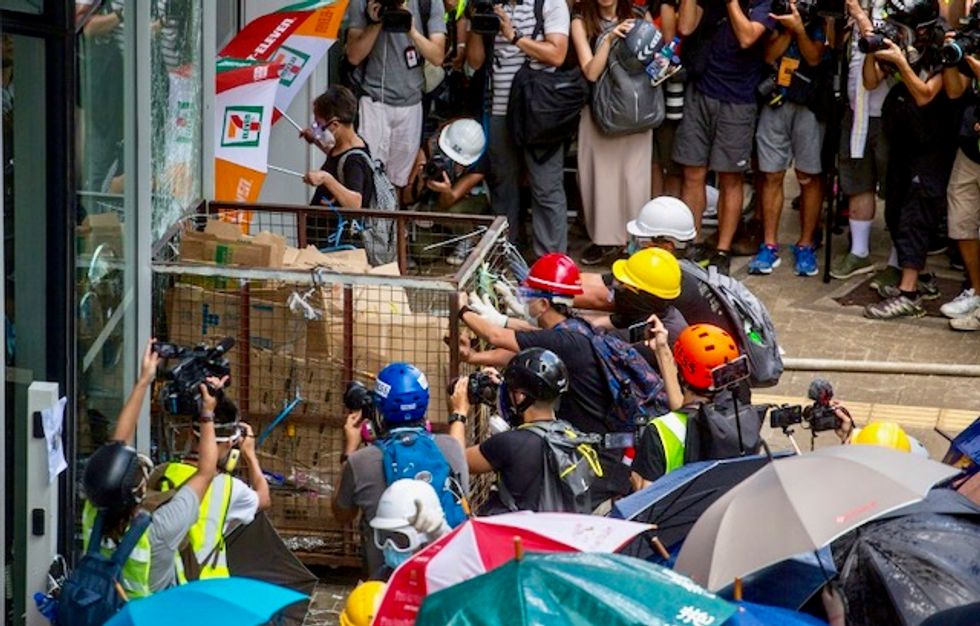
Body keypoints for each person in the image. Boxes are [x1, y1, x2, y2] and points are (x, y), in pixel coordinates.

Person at [459, 253, 682, 504]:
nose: (524, 303)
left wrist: (460, 307)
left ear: (544, 304)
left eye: (528, 296)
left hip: (599, 456)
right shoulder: (573, 329)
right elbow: (527, 343)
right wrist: (474, 357)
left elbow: (497, 337)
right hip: (605, 441)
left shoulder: (564, 340)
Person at [80, 340, 220, 596]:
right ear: (138, 491)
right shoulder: (159, 530)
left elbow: (117, 445)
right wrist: (207, 412)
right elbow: (206, 472)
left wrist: (144, 380)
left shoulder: (93, 513)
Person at [862, 0, 960, 320]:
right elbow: (870, 81)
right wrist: (871, 46)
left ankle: (909, 293)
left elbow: (924, 94)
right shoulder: (901, 38)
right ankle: (916, 277)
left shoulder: (943, 43)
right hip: (903, 136)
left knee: (917, 214)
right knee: (894, 210)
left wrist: (902, 64)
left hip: (933, 141)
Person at [332, 362, 468, 577]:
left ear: (378, 409)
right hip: (444, 575)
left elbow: (342, 513)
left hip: (385, 585)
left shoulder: (360, 462)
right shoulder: (451, 448)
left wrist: (349, 449)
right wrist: (459, 413)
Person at [674, 0, 775, 273]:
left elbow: (747, 37)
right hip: (701, 88)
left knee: (731, 177)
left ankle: (723, 248)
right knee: (693, 173)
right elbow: (684, 27)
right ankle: (690, 243)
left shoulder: (762, 3)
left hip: (738, 97)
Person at [465, 0, 572, 257]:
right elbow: (475, 61)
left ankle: (552, 262)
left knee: (546, 188)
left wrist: (513, 36)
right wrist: (478, 22)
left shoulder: (549, 3)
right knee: (503, 187)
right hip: (499, 109)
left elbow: (557, 54)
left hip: (539, 112)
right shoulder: (490, 5)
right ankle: (506, 256)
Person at [448, 349, 602, 513]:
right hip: (555, 532)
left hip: (515, 536)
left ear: (521, 397)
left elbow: (456, 461)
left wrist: (459, 413)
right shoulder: (569, 435)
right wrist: (502, 389)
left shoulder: (509, 443)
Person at [748, 0, 828, 277]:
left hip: (810, 102)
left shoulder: (820, 14)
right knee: (771, 173)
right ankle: (769, 244)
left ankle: (805, 245)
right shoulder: (775, 11)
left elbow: (815, 57)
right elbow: (769, 56)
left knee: (809, 174)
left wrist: (801, 29)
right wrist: (789, 29)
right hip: (775, 99)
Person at [571, 0, 653, 266]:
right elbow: (591, 73)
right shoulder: (581, 21)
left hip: (635, 110)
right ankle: (605, 243)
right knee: (600, 182)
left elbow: (658, 62)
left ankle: (635, 245)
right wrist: (607, 40)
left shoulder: (640, 16)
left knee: (635, 181)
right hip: (601, 112)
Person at [154, 397, 271, 581]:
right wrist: (250, 455)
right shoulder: (230, 488)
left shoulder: (163, 472)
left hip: (165, 582)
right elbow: (264, 498)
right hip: (209, 585)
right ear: (230, 444)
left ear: (191, 436)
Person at [344, 0, 447, 190]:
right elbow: (353, 56)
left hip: (411, 101)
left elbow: (437, 56)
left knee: (399, 183)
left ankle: (392, 220)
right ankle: (369, 219)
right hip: (373, 100)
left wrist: (411, 29)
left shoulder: (428, 3)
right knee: (369, 176)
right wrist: (376, 22)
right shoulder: (364, 3)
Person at [631, 324, 748, 489]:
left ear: (680, 372)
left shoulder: (660, 431)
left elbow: (645, 501)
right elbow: (686, 407)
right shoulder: (739, 415)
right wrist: (662, 350)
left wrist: (636, 478)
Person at [829, 0, 893, 281]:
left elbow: (884, 59)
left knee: (897, 190)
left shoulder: (901, 6)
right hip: (856, 111)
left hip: (891, 112)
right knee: (858, 182)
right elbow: (833, 44)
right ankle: (859, 251)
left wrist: (857, 12)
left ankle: (898, 260)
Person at [405, 117, 490, 265]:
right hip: (430, 202)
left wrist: (445, 190)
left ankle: (468, 235)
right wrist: (419, 182)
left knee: (453, 210)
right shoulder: (429, 147)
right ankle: (446, 236)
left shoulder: (479, 164)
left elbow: (448, 201)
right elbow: (406, 198)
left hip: (463, 201)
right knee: (424, 254)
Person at [939, 48, 980, 329]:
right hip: (971, 147)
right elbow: (954, 92)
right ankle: (977, 292)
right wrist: (951, 57)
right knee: (961, 220)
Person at [302, 86, 376, 212]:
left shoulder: (354, 160)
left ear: (335, 125)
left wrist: (326, 178)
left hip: (335, 230)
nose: (317, 129)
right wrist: (315, 140)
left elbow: (355, 203)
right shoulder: (346, 145)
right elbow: (337, 157)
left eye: (319, 125)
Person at [369, 479, 453, 576]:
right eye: (384, 537)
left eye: (399, 539)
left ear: (424, 540)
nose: (390, 547)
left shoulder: (443, 577)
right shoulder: (383, 577)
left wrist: (443, 536)